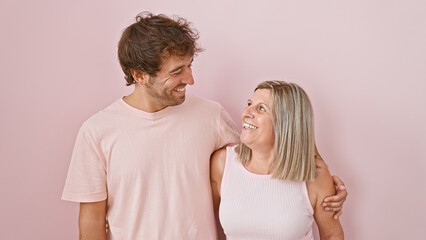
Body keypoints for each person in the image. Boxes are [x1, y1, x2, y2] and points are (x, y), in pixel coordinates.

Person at [62, 13, 347, 239]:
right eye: (177, 71)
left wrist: (322, 185)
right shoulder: (97, 132)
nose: (190, 79)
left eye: (189, 65)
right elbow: (91, 220)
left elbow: (262, 160)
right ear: (140, 75)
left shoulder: (210, 115)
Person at [211, 81, 344, 239]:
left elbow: (332, 234)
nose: (246, 112)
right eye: (249, 103)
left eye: (261, 108)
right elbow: (199, 219)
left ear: (286, 123)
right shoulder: (222, 163)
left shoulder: (314, 174)